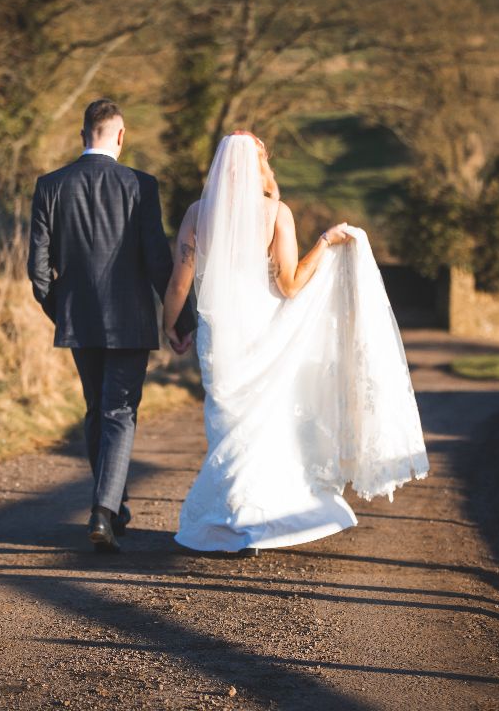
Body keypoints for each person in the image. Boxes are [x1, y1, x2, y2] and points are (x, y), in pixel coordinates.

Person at [162, 131, 429, 554]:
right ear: (259, 165)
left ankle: (230, 518)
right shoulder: (276, 213)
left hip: (221, 336)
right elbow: (289, 286)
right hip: (263, 333)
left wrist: (170, 324)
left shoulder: (197, 213)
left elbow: (180, 281)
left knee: (227, 424)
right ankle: (263, 517)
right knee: (265, 423)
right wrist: (324, 242)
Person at [27, 99, 192, 553]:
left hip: (78, 319)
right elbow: (159, 260)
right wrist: (181, 318)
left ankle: (112, 507)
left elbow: (39, 272)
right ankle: (103, 510)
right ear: (121, 136)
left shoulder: (50, 186)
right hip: (130, 321)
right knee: (118, 411)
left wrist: (63, 311)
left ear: (84, 135)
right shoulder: (140, 185)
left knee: (97, 408)